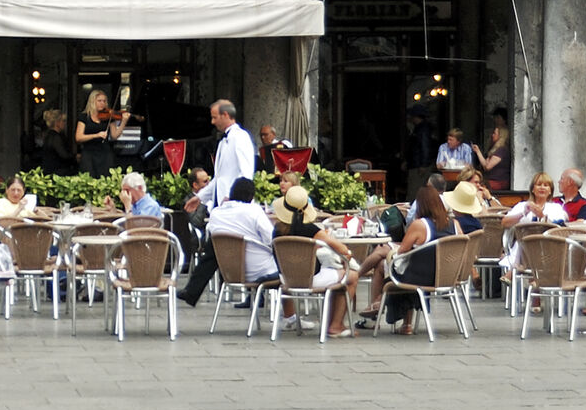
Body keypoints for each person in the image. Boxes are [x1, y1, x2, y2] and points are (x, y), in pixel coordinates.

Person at [366, 185, 462, 334]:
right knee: (405, 263)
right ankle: (405, 323)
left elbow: (402, 252)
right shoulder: (455, 225)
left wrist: (389, 250)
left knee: (382, 264)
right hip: (446, 277)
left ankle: (376, 305)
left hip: (419, 278)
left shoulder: (420, 225)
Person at [272, 184, 361, 336]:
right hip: (310, 279)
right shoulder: (311, 230)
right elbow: (341, 249)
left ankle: (310, 320)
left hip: (285, 278)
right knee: (351, 275)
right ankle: (336, 325)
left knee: (333, 274)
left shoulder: (277, 230)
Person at [196, 100, 256, 209]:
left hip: (235, 204)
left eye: (215, 117)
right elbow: (219, 178)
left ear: (225, 115)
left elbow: (246, 173)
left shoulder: (241, 137)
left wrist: (231, 197)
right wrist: (199, 197)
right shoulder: (224, 140)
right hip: (220, 203)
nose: (212, 122)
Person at [74, 91, 127, 176]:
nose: (102, 103)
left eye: (104, 101)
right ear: (92, 102)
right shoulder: (84, 117)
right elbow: (78, 137)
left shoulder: (108, 116)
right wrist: (96, 135)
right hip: (89, 153)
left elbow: (114, 135)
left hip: (105, 153)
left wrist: (124, 122)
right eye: (99, 101)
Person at [481, 109, 512, 181]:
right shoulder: (494, 146)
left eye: (498, 118)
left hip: (497, 180)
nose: (496, 120)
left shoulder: (501, 150)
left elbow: (487, 166)